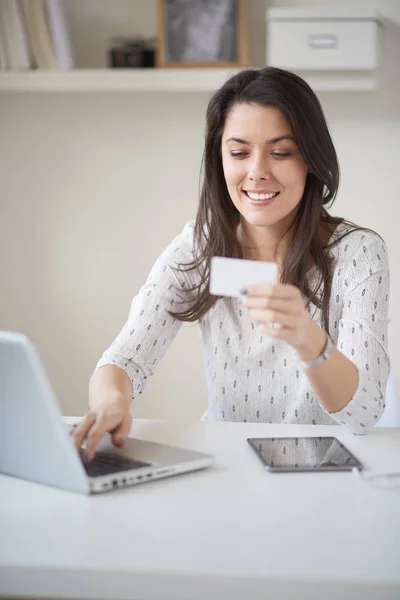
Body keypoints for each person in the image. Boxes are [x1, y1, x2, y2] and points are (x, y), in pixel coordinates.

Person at [71, 66, 390, 462]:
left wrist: (309, 339)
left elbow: (364, 412)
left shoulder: (357, 254)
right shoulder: (199, 246)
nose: (256, 172)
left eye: (280, 152)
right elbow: (124, 359)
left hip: (323, 478)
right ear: (219, 158)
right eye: (239, 152)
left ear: (310, 158)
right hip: (226, 466)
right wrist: (110, 403)